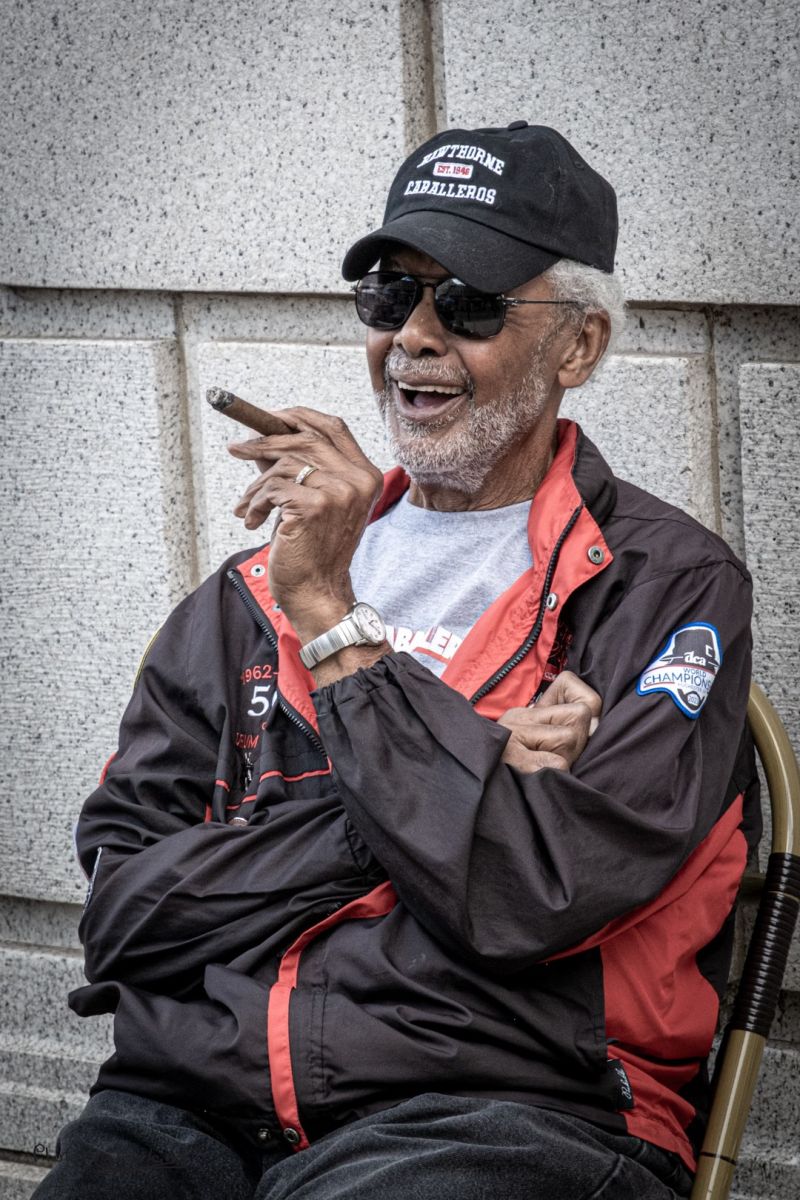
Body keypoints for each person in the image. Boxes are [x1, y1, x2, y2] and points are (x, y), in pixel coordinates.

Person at [35, 122, 758, 1200]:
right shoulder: (251, 588)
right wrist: (468, 769)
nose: (414, 336)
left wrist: (334, 621)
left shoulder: (666, 586)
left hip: (503, 1114)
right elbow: (125, 919)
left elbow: (530, 894)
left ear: (578, 347)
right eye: (389, 295)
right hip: (189, 1103)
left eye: (468, 303)